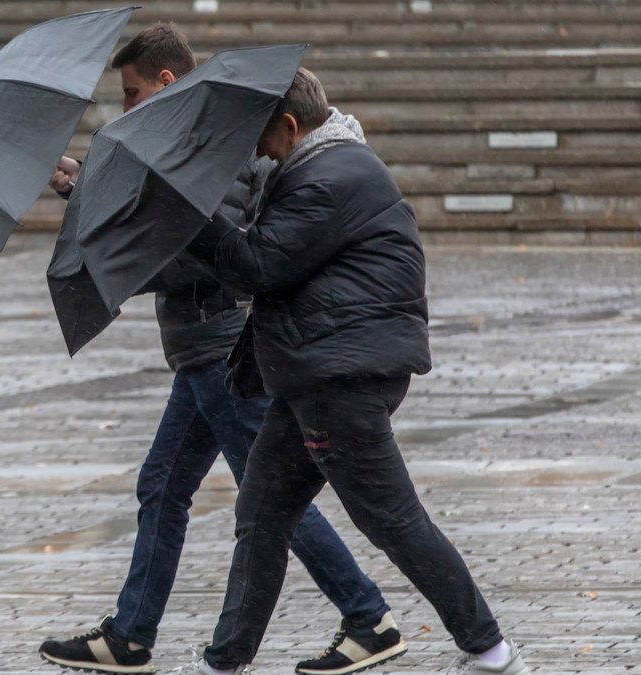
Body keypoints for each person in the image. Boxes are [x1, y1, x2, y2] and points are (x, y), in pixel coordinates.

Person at [37, 25, 406, 675]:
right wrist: (83, 190)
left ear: (166, 83)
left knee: (269, 499)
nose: (125, 108)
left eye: (130, 94)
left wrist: (113, 224)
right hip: (200, 349)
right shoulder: (184, 145)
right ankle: (130, 633)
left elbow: (215, 260)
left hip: (220, 348)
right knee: (164, 483)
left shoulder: (213, 148)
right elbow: (169, 243)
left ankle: (366, 615)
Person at [175, 68, 532, 675]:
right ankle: (223, 663)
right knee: (261, 513)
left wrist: (182, 211)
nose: (255, 148)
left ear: (289, 125)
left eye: (260, 135)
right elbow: (246, 194)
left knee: (391, 519)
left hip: (339, 376)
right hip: (315, 370)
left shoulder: (328, 180)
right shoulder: (318, 164)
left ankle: (490, 649)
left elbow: (256, 265)